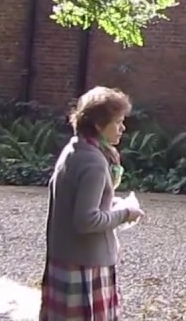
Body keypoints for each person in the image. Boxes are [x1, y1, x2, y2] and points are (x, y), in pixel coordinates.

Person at [39, 86, 145, 321]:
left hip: (64, 259)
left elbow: (74, 200)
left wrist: (112, 202)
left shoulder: (74, 149)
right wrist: (126, 213)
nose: (123, 128)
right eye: (117, 122)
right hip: (85, 267)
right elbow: (86, 220)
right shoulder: (94, 162)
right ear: (98, 125)